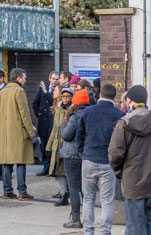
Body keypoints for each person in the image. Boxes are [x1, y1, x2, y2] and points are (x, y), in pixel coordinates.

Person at [109, 85, 151, 235]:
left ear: (130, 100)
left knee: (135, 226)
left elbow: (115, 154)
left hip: (133, 183)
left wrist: (119, 171)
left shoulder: (124, 123)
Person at [76, 83, 124, 235]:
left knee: (88, 198)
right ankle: (105, 231)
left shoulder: (88, 111)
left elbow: (79, 135)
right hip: (107, 162)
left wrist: (83, 153)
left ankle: (88, 231)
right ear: (114, 97)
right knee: (107, 201)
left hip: (89, 158)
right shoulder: (118, 115)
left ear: (100, 95)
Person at [0, 68, 36, 200]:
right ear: (18, 78)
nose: (25, 80)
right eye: (24, 78)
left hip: (4, 131)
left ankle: (7, 191)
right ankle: (22, 192)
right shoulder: (19, 91)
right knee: (21, 161)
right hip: (18, 131)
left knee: (7, 162)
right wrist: (31, 131)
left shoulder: (2, 91)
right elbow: (25, 113)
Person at [61, 89, 91, 229]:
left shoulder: (74, 116)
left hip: (71, 156)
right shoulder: (91, 114)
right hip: (85, 155)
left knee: (73, 187)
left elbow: (66, 135)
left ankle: (76, 218)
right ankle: (88, 218)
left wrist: (63, 127)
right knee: (85, 188)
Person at [46, 87, 72, 207]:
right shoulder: (58, 110)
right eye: (63, 96)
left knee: (68, 171)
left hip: (69, 145)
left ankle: (70, 193)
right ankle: (63, 194)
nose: (66, 99)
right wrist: (49, 146)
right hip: (57, 144)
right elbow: (54, 129)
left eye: (68, 96)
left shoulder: (73, 111)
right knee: (58, 171)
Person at [33, 71, 59, 176]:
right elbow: (35, 102)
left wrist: (45, 91)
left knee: (52, 145)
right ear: (49, 79)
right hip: (43, 121)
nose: (55, 81)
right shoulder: (43, 88)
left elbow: (54, 101)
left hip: (53, 121)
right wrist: (38, 113)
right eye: (53, 79)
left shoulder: (59, 90)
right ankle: (45, 167)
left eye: (57, 79)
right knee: (43, 145)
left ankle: (52, 168)